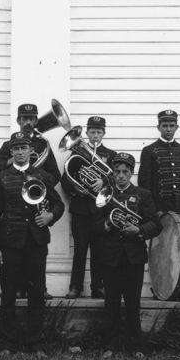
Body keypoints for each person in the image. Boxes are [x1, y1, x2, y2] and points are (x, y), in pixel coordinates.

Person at [0, 131, 65, 352]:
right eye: (16, 149)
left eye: (24, 148)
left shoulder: (42, 176)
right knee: (8, 293)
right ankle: (8, 342)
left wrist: (50, 216)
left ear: (31, 151)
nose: (20, 152)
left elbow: (58, 205)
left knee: (37, 293)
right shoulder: (0, 178)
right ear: (10, 152)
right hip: (9, 242)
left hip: (36, 242)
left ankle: (35, 342)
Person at [90, 152, 161, 351]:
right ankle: (111, 346)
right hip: (110, 256)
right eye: (117, 171)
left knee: (133, 303)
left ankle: (135, 346)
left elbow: (156, 225)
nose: (120, 175)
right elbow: (93, 225)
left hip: (134, 257)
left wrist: (139, 230)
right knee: (111, 302)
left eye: (125, 172)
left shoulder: (143, 194)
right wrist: (106, 224)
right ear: (112, 173)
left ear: (131, 173)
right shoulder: (105, 194)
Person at [62, 116, 116, 299]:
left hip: (100, 210)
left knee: (99, 250)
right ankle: (75, 287)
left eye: (98, 132)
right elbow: (65, 180)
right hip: (80, 209)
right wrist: (75, 187)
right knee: (80, 249)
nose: (95, 136)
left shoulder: (111, 155)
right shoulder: (76, 154)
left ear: (104, 133)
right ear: (86, 133)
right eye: (92, 132)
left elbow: (117, 180)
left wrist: (103, 181)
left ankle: (97, 286)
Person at [138, 109, 180, 215]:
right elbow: (144, 183)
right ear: (158, 127)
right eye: (165, 126)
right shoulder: (149, 150)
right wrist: (152, 207)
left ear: (176, 127)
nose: (168, 129)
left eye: (172, 126)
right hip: (160, 207)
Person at [0, 103, 63, 184]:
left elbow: (55, 175)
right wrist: (10, 161)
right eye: (25, 119)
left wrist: (41, 187)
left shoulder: (43, 145)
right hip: (13, 190)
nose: (28, 122)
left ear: (36, 121)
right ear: (18, 121)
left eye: (31, 119)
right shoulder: (8, 145)